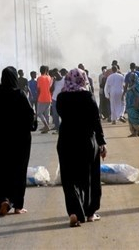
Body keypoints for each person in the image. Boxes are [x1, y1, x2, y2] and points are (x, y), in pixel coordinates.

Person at [55, 68, 107, 227]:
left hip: (66, 141)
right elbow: (95, 120)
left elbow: (60, 115)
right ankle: (90, 213)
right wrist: (101, 142)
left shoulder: (61, 97)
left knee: (69, 178)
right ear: (83, 79)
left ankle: (74, 212)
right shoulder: (87, 96)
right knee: (89, 177)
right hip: (86, 141)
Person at [0, 66, 37, 216]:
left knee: (0, 172)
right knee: (18, 172)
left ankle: (3, 200)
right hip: (19, 143)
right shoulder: (19, 95)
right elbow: (30, 116)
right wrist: (31, 126)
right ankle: (17, 206)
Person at [36, 65, 52, 133]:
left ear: (40, 71)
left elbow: (38, 89)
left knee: (39, 113)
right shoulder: (49, 78)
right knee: (46, 113)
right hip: (48, 97)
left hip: (42, 97)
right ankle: (46, 127)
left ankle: (46, 126)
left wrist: (37, 97)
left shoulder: (39, 78)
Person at [50, 68, 67, 133]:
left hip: (63, 99)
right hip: (55, 99)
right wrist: (53, 82)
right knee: (55, 114)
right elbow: (51, 90)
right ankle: (58, 129)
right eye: (54, 74)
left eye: (57, 73)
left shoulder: (64, 79)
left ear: (59, 72)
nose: (56, 75)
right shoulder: (54, 80)